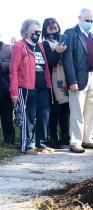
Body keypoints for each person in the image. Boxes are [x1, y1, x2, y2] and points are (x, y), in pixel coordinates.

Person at [63, 8, 93, 153]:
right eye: (87, 20)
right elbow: (67, 58)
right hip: (78, 79)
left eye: (92, 21)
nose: (90, 23)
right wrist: (72, 80)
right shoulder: (70, 33)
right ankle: (75, 142)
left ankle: (88, 139)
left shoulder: (92, 35)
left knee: (92, 111)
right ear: (79, 18)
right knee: (77, 112)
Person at [10, 19, 53, 154]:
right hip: (26, 87)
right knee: (28, 116)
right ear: (27, 32)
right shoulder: (19, 46)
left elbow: (45, 66)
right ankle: (28, 145)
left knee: (44, 115)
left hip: (42, 87)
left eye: (39, 31)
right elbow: (14, 69)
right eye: (35, 31)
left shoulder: (40, 46)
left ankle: (41, 144)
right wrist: (14, 91)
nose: (38, 33)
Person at [42, 18, 69, 148]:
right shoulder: (46, 43)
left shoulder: (63, 40)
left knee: (65, 109)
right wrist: (57, 51)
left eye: (55, 27)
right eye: (50, 28)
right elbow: (48, 62)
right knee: (55, 109)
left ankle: (65, 135)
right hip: (54, 79)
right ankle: (53, 137)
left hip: (66, 78)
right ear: (45, 30)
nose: (54, 30)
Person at [0, 40, 15, 144]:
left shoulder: (7, 48)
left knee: (6, 115)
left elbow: (13, 65)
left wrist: (2, 65)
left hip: (4, 87)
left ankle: (9, 140)